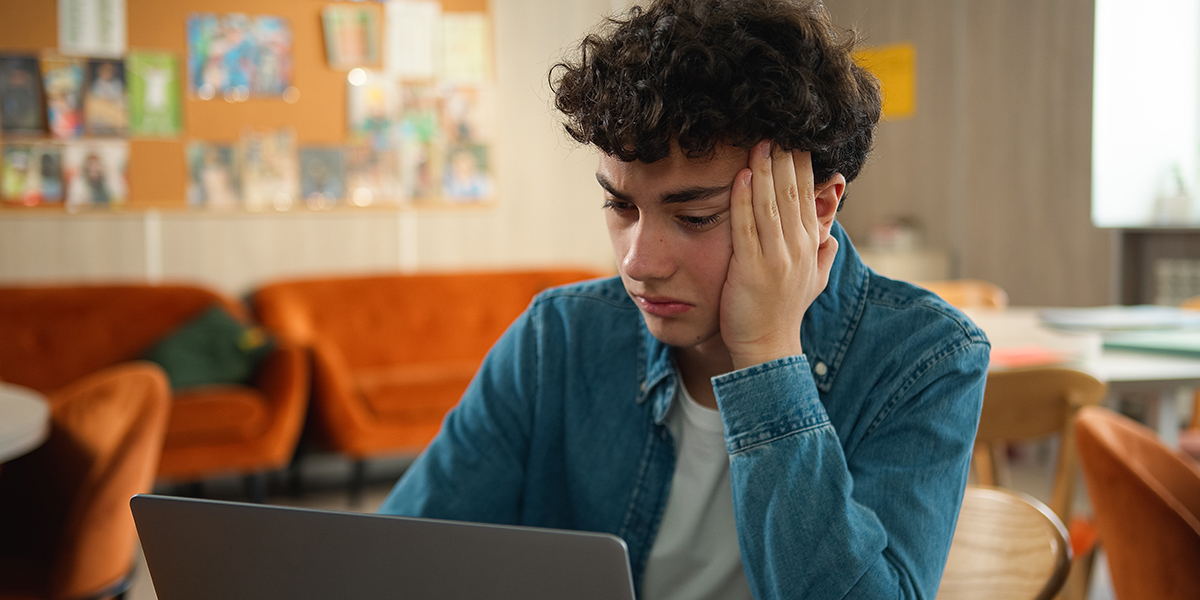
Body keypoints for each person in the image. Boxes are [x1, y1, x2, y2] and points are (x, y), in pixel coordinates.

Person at [378, 1, 989, 599]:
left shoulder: (926, 359)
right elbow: (394, 560)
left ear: (816, 209)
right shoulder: (558, 338)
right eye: (620, 207)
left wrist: (768, 356)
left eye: (695, 217)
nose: (637, 263)